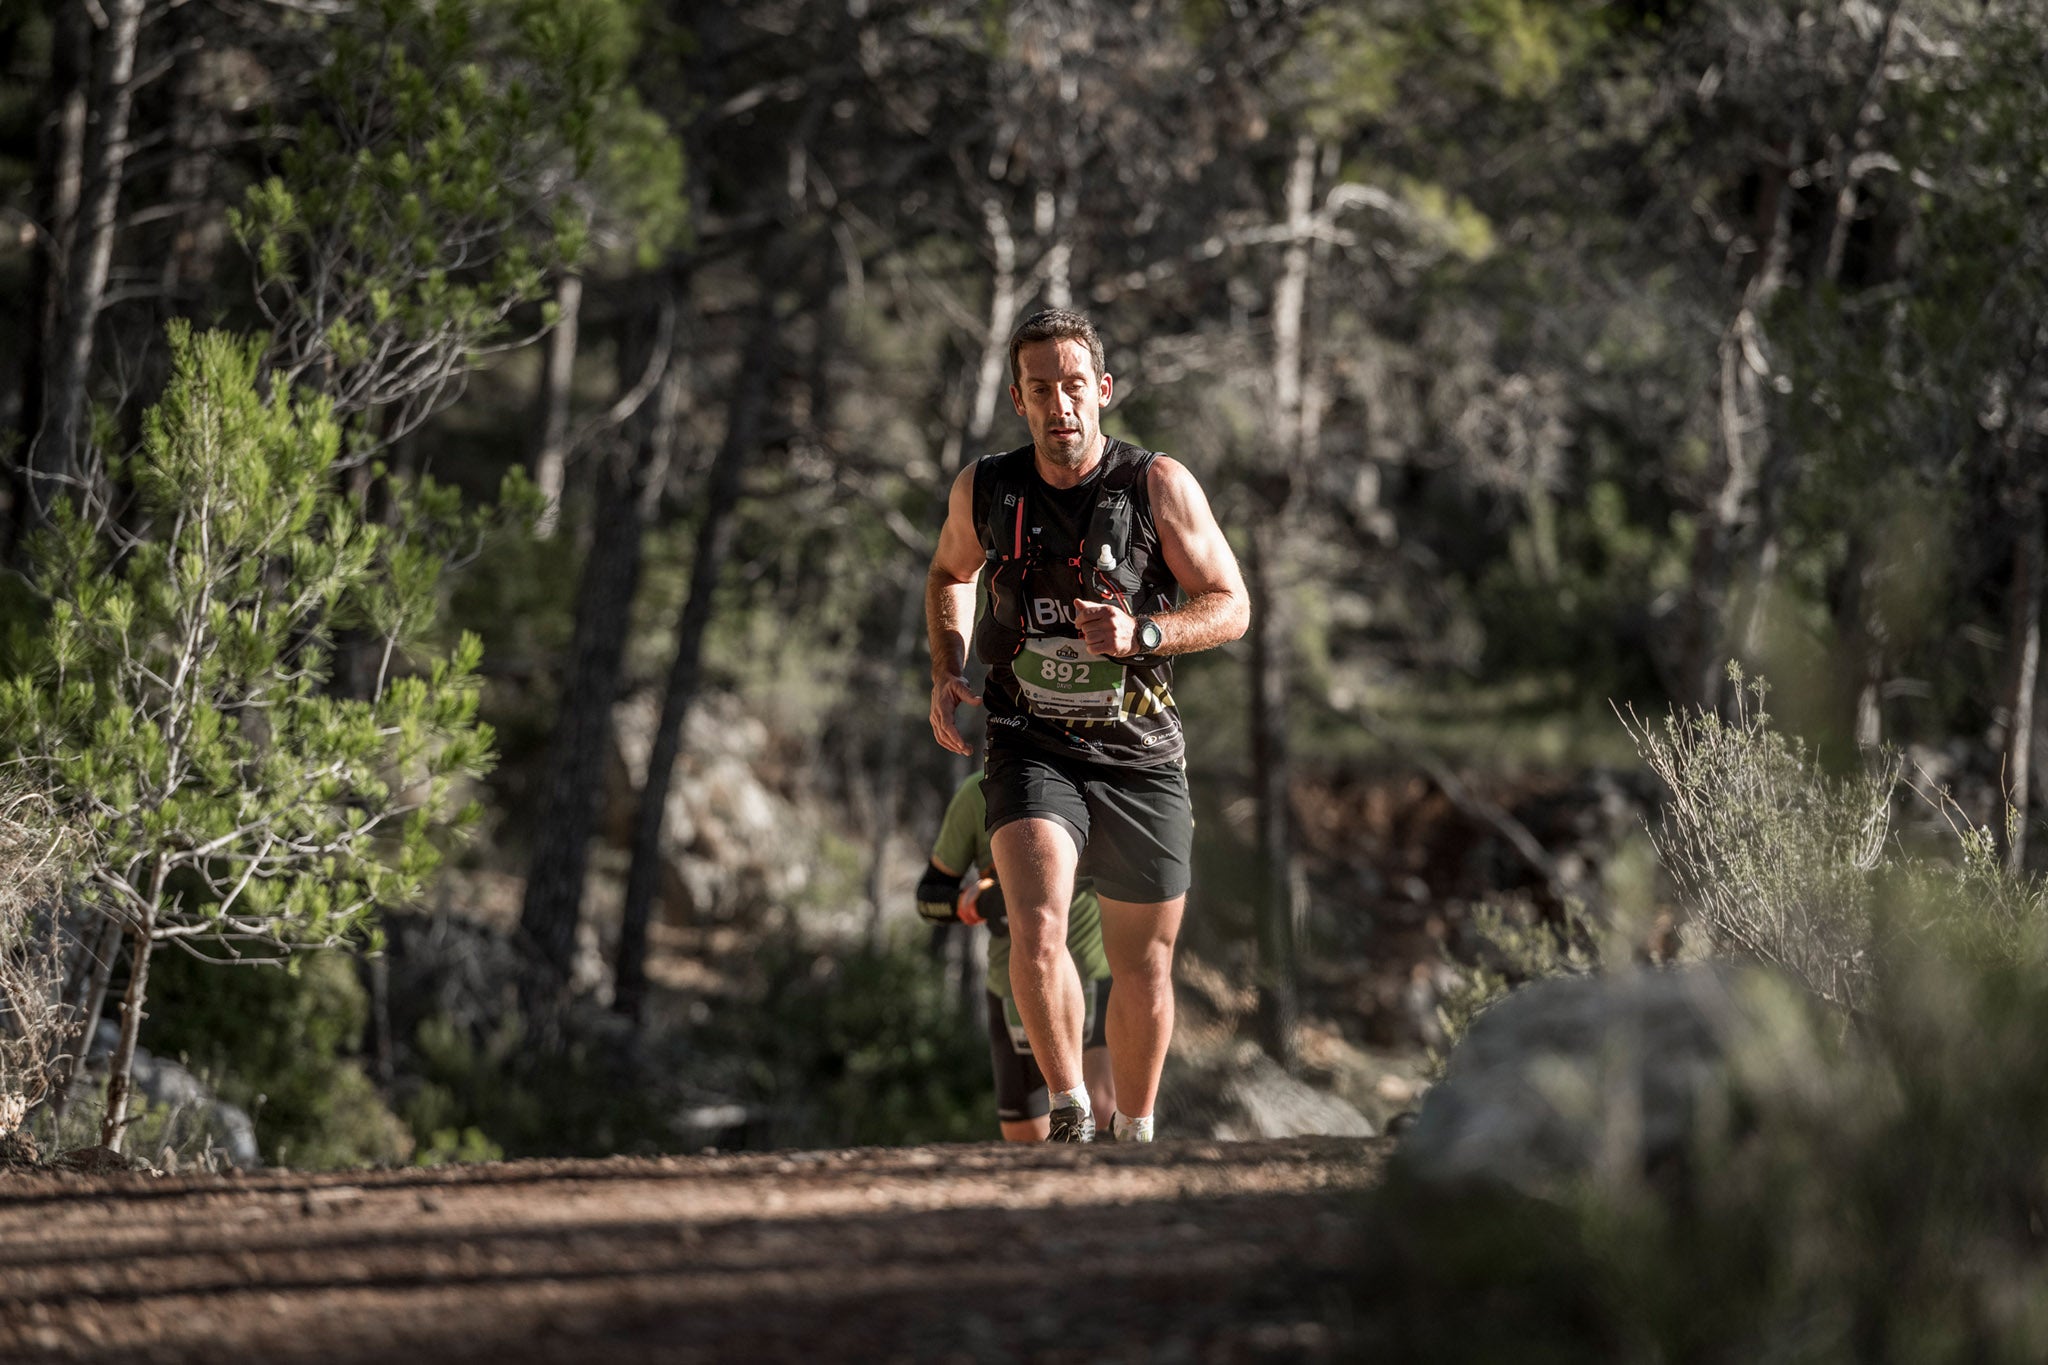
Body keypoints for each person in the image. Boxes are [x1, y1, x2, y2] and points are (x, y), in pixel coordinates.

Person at [924, 308, 1249, 1142]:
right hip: (1031, 741)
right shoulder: (987, 487)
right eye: (1042, 389)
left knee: (1144, 963)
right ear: (1018, 399)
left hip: (1139, 749)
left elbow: (1231, 605)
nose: (1060, 404)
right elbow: (949, 571)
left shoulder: (1156, 485)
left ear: (1101, 390)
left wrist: (1145, 633)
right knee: (1035, 923)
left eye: (1075, 386)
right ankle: (1069, 1106)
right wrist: (947, 664)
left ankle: (1133, 1129)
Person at [917, 771, 1116, 1141]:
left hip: (1095, 979)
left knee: (1102, 1122)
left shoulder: (1100, 779)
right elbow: (929, 895)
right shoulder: (976, 795)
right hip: (1011, 992)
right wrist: (977, 901)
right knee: (1028, 1143)